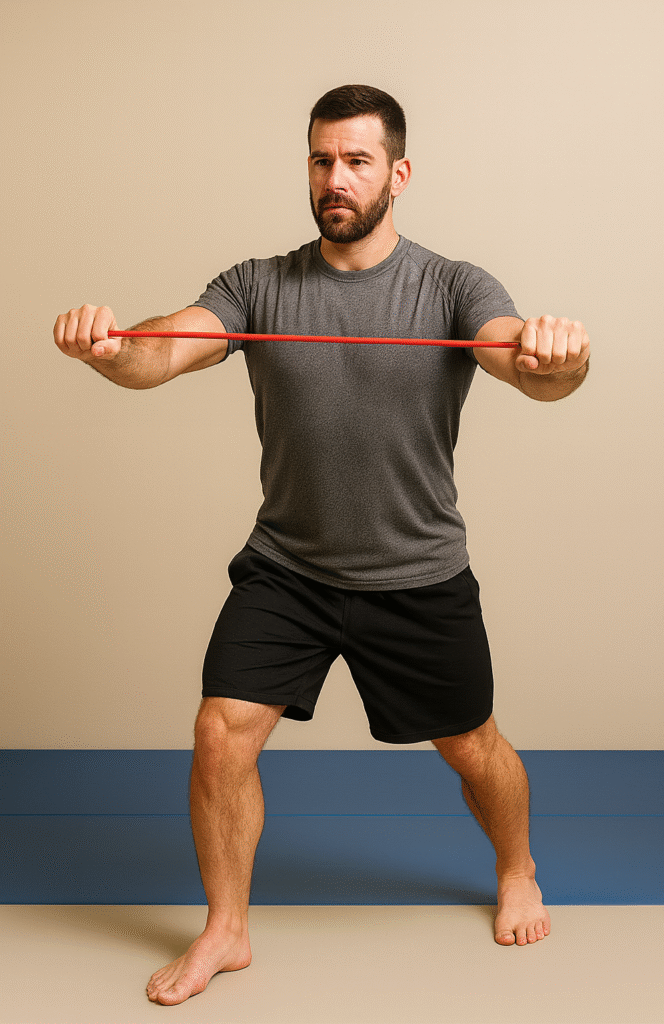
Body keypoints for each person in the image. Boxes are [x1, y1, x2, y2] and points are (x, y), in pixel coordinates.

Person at [54, 84, 590, 1007]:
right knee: (220, 734)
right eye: (320, 160)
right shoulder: (255, 283)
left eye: (356, 161)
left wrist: (559, 354)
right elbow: (163, 350)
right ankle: (225, 931)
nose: (335, 178)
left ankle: (516, 867)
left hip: (415, 571)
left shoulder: (453, 286)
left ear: (399, 173)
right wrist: (111, 349)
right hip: (288, 568)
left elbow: (527, 366)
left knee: (473, 748)